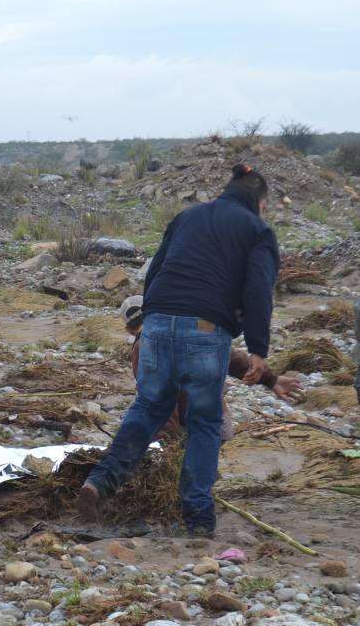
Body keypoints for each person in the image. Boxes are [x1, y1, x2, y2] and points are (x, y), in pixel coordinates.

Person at [75, 164, 280, 536]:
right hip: (204, 328)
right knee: (205, 421)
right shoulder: (257, 230)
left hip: (155, 323)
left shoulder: (187, 217)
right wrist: (258, 349)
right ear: (259, 202)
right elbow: (258, 290)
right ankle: (198, 518)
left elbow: (154, 273)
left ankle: (98, 483)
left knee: (148, 406)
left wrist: (154, 316)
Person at [118, 294, 304, 442]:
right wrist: (270, 379)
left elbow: (160, 399)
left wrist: (166, 443)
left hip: (189, 427)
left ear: (128, 329)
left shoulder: (143, 347)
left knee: (190, 478)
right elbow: (230, 354)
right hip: (218, 421)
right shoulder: (192, 322)